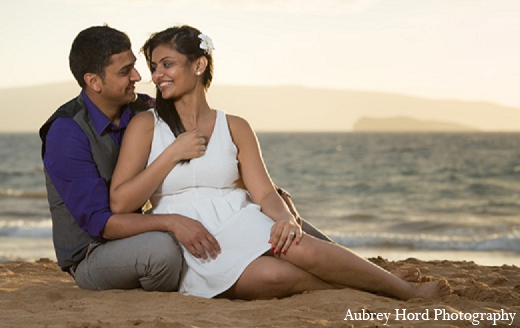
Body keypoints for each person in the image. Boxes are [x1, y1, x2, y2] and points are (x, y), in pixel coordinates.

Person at [109, 25, 452, 300]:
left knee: (298, 246)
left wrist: (285, 218)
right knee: (274, 276)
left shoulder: (236, 126)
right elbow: (121, 202)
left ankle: (406, 292)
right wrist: (172, 154)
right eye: (154, 67)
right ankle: (374, 283)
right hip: (194, 241)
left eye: (166, 64)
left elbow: (264, 192)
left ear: (198, 65)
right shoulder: (145, 126)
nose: (156, 75)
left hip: (240, 220)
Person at [39, 25, 335, 295]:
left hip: (138, 233)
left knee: (273, 215)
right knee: (162, 251)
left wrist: (277, 199)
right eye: (125, 71)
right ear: (94, 82)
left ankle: (339, 262)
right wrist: (172, 222)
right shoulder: (66, 132)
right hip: (94, 252)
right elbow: (101, 223)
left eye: (137, 67)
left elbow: (219, 161)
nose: (139, 77)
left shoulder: (144, 109)